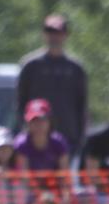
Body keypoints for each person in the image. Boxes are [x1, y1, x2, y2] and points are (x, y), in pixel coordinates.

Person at [17, 14, 88, 151]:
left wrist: (80, 139)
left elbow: (82, 106)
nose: (54, 36)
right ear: (44, 34)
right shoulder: (31, 65)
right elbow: (20, 102)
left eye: (58, 32)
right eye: (50, 32)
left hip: (68, 138)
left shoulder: (75, 68)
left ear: (66, 34)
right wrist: (24, 130)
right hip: (36, 141)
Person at [14, 99, 71, 195]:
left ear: (49, 122)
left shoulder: (59, 142)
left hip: (54, 191)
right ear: (28, 123)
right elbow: (24, 178)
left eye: (42, 120)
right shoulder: (21, 144)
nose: (38, 125)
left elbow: (64, 175)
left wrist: (65, 195)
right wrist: (38, 196)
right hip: (29, 192)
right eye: (34, 121)